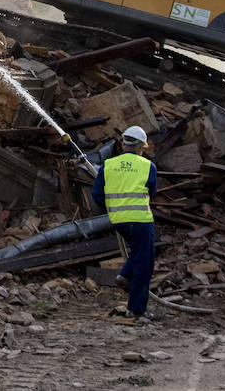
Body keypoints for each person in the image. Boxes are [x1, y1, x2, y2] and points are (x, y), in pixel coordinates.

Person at [92, 125, 158, 321]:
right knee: (144, 263)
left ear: (123, 144)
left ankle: (125, 275)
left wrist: (114, 208)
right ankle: (136, 309)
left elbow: (97, 195)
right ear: (141, 147)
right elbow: (151, 193)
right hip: (141, 220)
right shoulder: (148, 166)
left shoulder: (108, 165)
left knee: (139, 254)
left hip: (118, 221)